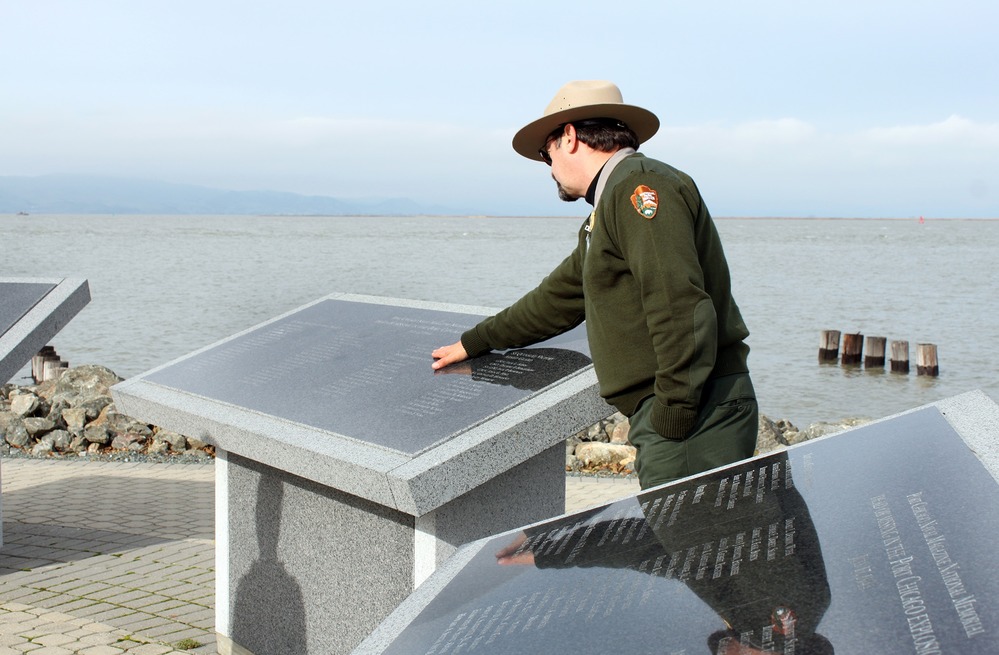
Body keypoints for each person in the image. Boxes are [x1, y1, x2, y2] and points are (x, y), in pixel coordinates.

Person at [432, 80, 758, 489]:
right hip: (677, 411)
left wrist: (674, 413)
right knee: (692, 547)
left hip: (692, 414)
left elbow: (677, 304)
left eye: (544, 153)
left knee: (693, 547)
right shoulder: (605, 211)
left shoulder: (638, 188)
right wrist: (475, 341)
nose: (548, 169)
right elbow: (556, 300)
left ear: (569, 137)